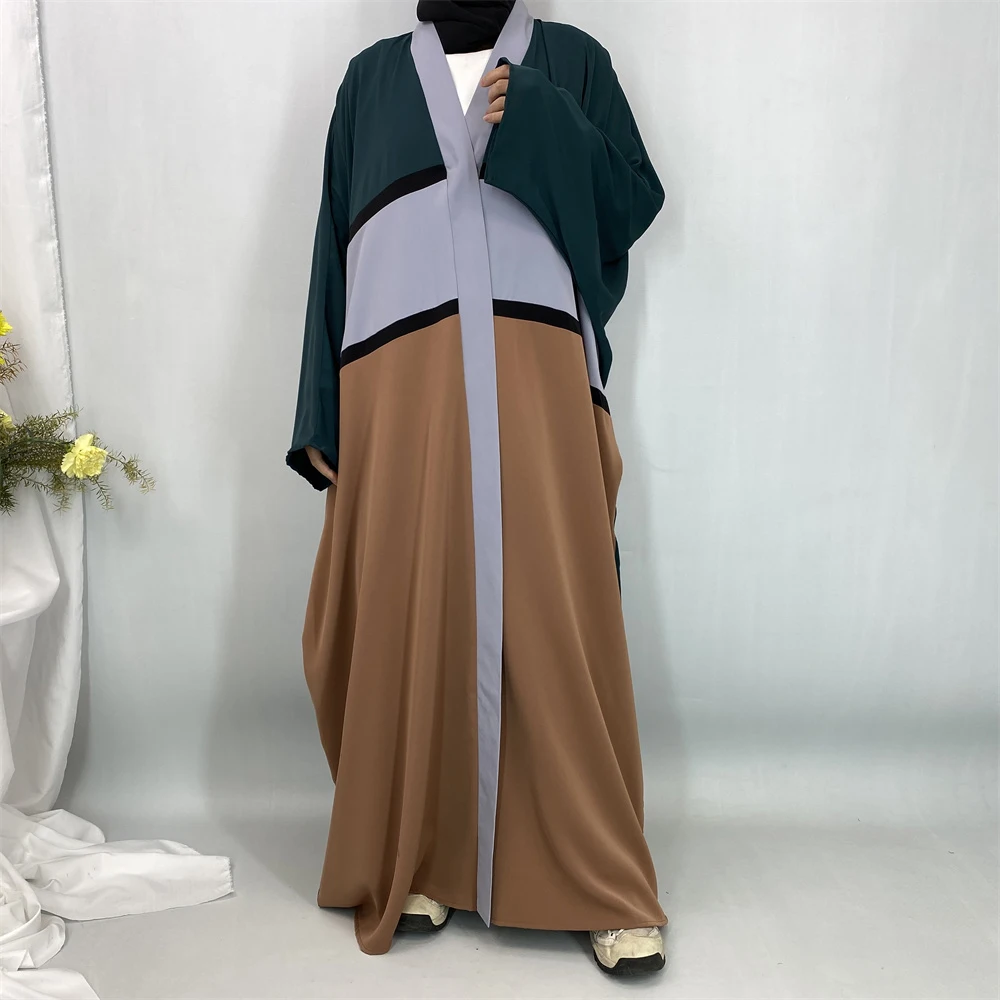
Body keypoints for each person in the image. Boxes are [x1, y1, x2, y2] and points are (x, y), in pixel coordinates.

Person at [287, 0, 667, 976]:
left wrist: (541, 119)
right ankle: (421, 854)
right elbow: (335, 244)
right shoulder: (371, 82)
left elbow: (629, 206)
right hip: (398, 390)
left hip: (537, 377)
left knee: (557, 613)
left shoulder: (574, 63)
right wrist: (321, 414)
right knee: (417, 613)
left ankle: (600, 877)